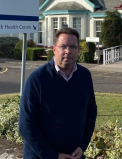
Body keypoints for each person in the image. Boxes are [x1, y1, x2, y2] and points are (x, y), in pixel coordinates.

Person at [19, 27, 97, 159]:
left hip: (74, 155)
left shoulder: (85, 75)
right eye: (63, 46)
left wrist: (82, 146)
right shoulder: (37, 79)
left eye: (72, 47)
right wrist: (53, 156)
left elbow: (91, 112)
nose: (68, 51)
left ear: (78, 49)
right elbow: (26, 126)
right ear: (54, 49)